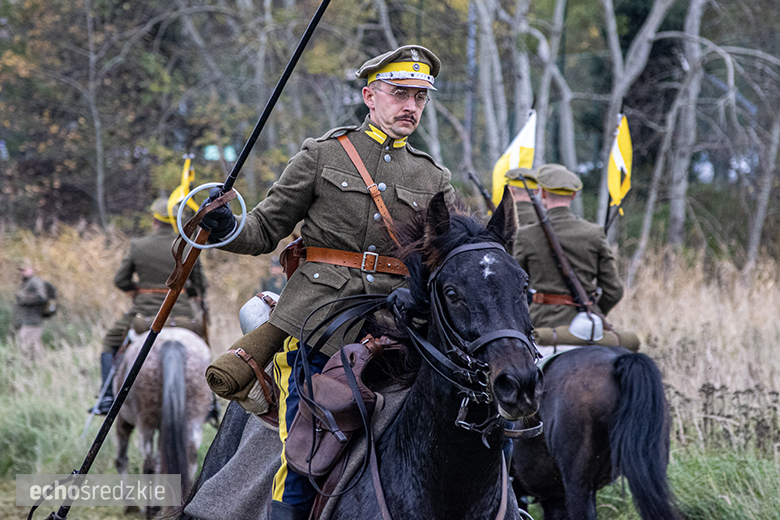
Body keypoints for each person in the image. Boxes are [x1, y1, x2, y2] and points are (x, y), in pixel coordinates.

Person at [200, 45, 455, 520]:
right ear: (369, 96)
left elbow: (449, 256)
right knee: (306, 455)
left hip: (400, 327)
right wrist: (227, 227)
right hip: (320, 324)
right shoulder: (323, 155)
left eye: (420, 97)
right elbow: (264, 229)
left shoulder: (433, 177)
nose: (411, 106)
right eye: (400, 93)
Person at [89, 197, 208, 415]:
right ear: (176, 222)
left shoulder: (138, 245)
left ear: (155, 220)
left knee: (109, 342)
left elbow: (120, 280)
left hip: (143, 312)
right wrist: (187, 291)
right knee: (203, 348)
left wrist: (136, 289)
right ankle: (210, 403)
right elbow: (201, 284)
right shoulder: (189, 246)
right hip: (182, 313)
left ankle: (107, 398)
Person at [513, 164, 623, 329]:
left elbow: (514, 285)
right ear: (573, 195)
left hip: (541, 323)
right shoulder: (594, 233)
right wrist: (594, 309)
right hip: (587, 323)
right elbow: (614, 290)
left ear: (543, 193)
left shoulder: (526, 235)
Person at [13, 258, 49, 358]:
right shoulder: (25, 283)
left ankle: (42, 363)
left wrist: (25, 298)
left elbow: (42, 297)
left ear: (30, 270)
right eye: (21, 270)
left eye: (24, 270)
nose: (21, 272)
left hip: (33, 321)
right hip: (27, 320)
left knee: (31, 346)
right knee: (29, 345)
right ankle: (40, 363)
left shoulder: (35, 281)